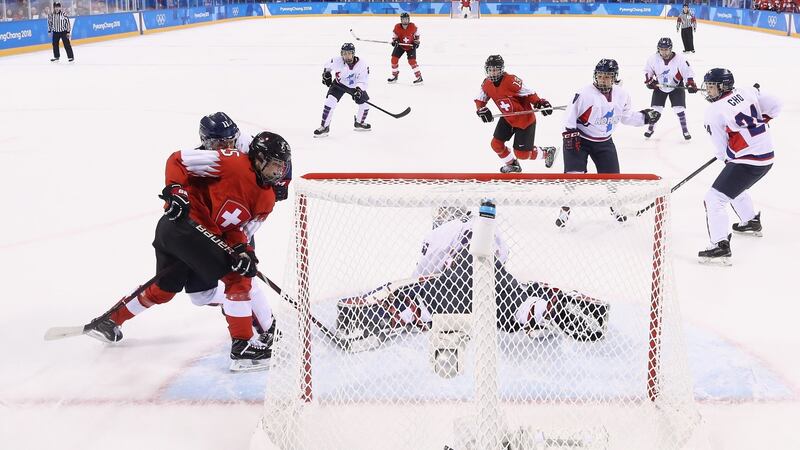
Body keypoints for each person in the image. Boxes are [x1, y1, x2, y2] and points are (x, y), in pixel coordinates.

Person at [83, 129, 291, 372]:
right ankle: (243, 345)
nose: (279, 172)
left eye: (282, 166)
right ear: (259, 159)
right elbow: (178, 159)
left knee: (164, 288)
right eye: (274, 165)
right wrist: (175, 190)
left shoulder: (266, 200)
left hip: (179, 234)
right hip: (187, 225)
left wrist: (244, 251)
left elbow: (239, 231)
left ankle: (111, 321)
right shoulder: (231, 162)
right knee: (238, 278)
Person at [334, 206, 610, 355]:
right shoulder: (490, 228)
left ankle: (380, 313)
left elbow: (422, 274)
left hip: (456, 282)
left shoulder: (448, 229)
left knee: (410, 293)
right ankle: (539, 309)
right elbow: (501, 261)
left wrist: (417, 287)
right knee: (522, 297)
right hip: (492, 283)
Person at [557, 59, 661, 227]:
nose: (603, 79)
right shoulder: (583, 93)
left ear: (614, 77)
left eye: (607, 76)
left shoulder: (622, 95)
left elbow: (626, 117)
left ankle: (615, 207)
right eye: (600, 75)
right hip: (580, 140)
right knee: (572, 177)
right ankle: (564, 210)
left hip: (604, 142)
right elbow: (569, 116)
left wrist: (644, 118)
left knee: (613, 179)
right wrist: (570, 134)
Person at [698, 69, 780, 265]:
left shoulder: (713, 111)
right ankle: (750, 221)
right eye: (707, 86)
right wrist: (762, 121)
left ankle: (720, 245)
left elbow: (721, 150)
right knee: (731, 189)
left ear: (723, 86)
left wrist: (729, 159)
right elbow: (776, 104)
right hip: (766, 157)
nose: (708, 90)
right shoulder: (746, 91)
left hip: (748, 160)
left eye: (711, 86)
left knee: (714, 198)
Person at [474, 55, 558, 174]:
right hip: (507, 119)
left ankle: (547, 152)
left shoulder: (511, 80)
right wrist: (481, 110)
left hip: (524, 120)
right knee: (496, 144)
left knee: (522, 154)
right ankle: (513, 165)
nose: (493, 73)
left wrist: (540, 103)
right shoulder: (486, 84)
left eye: (496, 69)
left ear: (501, 69)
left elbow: (529, 93)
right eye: (490, 70)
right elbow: (480, 99)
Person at [643, 37, 698, 140]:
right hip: (660, 86)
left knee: (679, 110)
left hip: (676, 85)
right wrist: (650, 82)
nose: (664, 52)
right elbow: (647, 71)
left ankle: (685, 130)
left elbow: (687, 72)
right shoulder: (653, 59)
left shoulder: (680, 59)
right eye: (661, 49)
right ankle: (650, 129)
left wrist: (690, 83)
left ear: (671, 49)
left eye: (666, 49)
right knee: (656, 109)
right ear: (658, 49)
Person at [315, 43, 371, 137]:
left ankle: (359, 122)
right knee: (329, 102)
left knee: (365, 105)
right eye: (344, 53)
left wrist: (359, 90)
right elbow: (327, 67)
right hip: (339, 84)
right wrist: (326, 75)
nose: (347, 56)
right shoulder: (336, 61)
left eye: (349, 53)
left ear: (353, 54)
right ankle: (324, 126)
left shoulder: (362, 64)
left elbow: (363, 80)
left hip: (355, 87)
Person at [387, 12, 423, 85]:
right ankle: (394, 75)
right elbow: (395, 36)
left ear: (409, 19)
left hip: (411, 46)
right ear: (401, 20)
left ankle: (419, 77)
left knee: (412, 61)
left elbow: (417, 35)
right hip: (400, 45)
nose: (405, 21)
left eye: (406, 19)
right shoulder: (397, 27)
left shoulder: (413, 26)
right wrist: (395, 41)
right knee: (394, 59)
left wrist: (416, 42)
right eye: (403, 19)